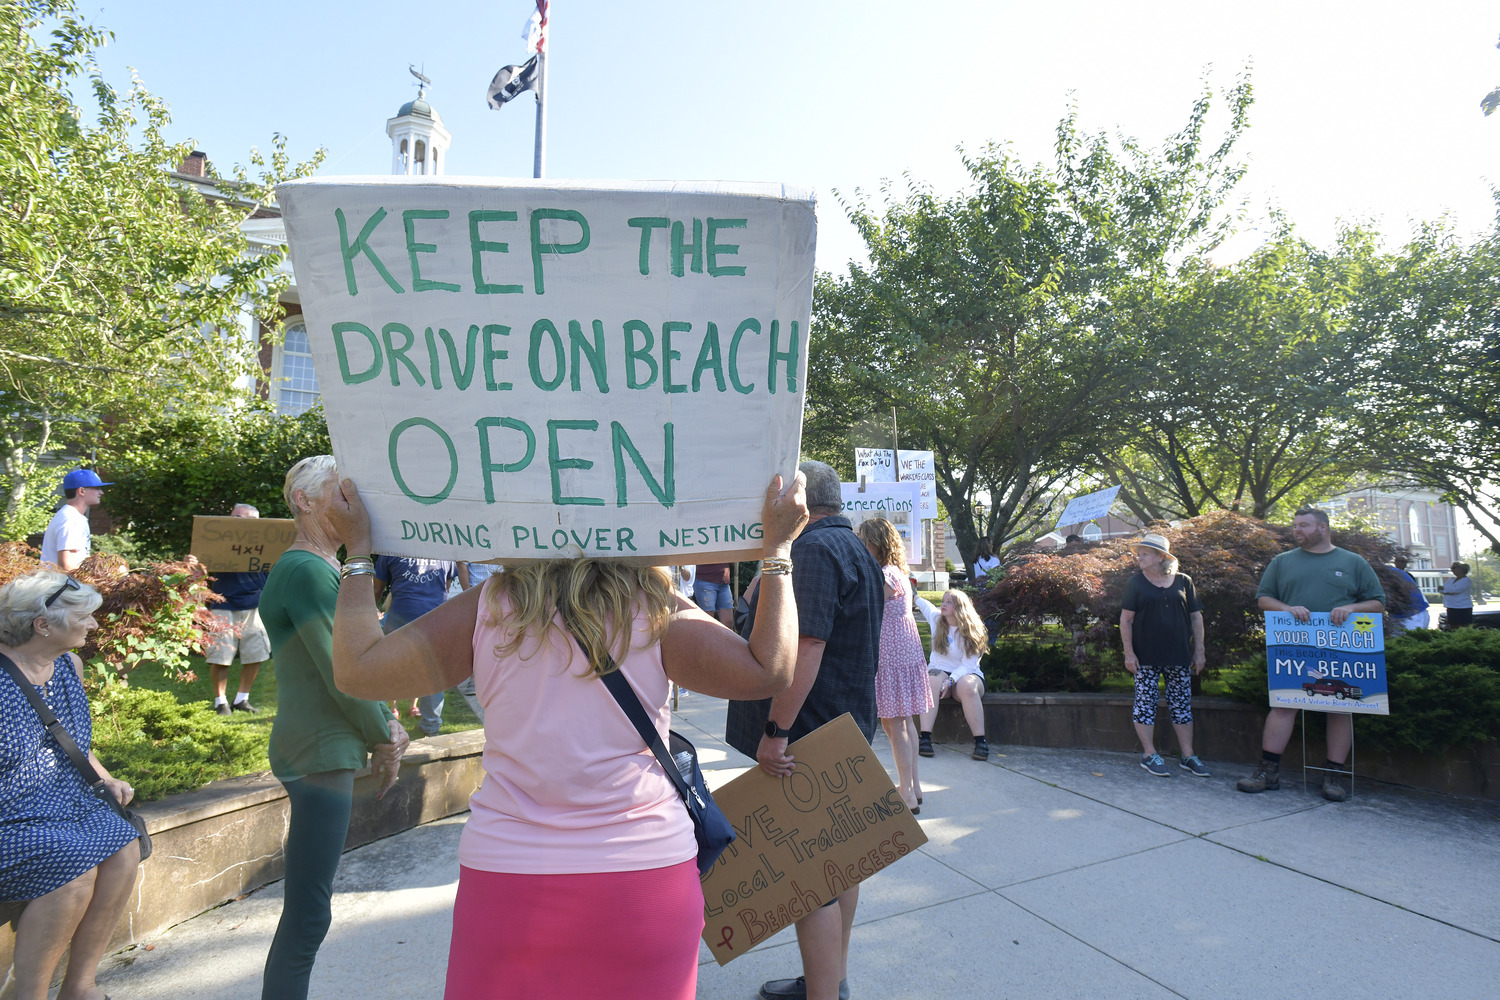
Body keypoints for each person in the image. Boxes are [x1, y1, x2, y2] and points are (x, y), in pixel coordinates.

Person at [324, 472, 807, 1000]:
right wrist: (776, 551)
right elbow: (768, 669)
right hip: (643, 882)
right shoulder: (653, 606)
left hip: (509, 886)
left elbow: (358, 670)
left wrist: (358, 554)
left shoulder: (489, 606)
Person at [727, 460, 885, 1000]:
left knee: (810, 877)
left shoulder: (814, 551)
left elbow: (806, 648)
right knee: (839, 866)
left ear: (801, 502)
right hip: (842, 723)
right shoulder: (855, 547)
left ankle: (825, 992)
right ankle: (828, 978)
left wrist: (775, 730)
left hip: (808, 734)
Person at [259, 456, 408, 1000]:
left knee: (307, 908)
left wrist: (381, 726)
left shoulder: (313, 567)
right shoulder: (309, 570)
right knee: (308, 912)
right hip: (320, 750)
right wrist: (384, 734)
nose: (354, 505)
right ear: (303, 500)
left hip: (319, 747)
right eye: (339, 494)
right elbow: (344, 671)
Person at [0, 570, 143, 1000]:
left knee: (125, 845)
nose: (95, 625)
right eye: (85, 616)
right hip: (10, 814)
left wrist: (105, 777)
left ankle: (80, 984)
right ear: (43, 624)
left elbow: (72, 741)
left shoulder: (67, 665)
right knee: (72, 868)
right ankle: (26, 992)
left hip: (63, 800)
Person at [1237, 507, 1384, 802]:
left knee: (1340, 709)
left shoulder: (1352, 562)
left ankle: (1334, 776)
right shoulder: (1282, 562)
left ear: (1323, 528)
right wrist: (1287, 608)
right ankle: (1269, 772)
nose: (1297, 530)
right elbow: (1264, 599)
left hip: (1341, 646)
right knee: (1283, 704)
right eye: (1295, 526)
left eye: (1304, 525)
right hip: (1294, 646)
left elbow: (1377, 602)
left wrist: (1352, 608)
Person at [856, 517, 932, 813]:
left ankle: (908, 795)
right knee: (905, 721)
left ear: (875, 543)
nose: (861, 545)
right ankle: (913, 787)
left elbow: (868, 609)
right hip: (905, 649)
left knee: (893, 723)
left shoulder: (884, 575)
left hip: (891, 652)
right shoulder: (898, 571)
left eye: (864, 540)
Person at [1119, 533, 1210, 778]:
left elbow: (1196, 617)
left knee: (1181, 705)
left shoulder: (1183, 581)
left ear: (1161, 557)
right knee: (1145, 705)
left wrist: (1199, 651)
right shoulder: (1135, 583)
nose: (1140, 557)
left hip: (1179, 655)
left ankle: (1188, 756)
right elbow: (1126, 620)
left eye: (1145, 553)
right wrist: (1129, 654)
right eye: (1139, 553)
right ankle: (1150, 754)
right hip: (1145, 657)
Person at [373, 555, 459, 736]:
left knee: (389, 670)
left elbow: (376, 590)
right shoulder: (443, 550)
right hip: (434, 621)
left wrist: (371, 612)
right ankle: (431, 725)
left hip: (399, 620)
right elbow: (445, 587)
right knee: (433, 674)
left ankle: (383, 719)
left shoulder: (390, 549)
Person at [205, 503, 271, 715]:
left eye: (243, 518)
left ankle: (242, 699)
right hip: (223, 604)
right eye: (234, 517)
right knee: (220, 655)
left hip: (255, 605)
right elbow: (202, 564)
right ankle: (220, 702)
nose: (236, 521)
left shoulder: (265, 544)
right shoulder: (218, 541)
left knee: (256, 654)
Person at [915, 589, 991, 761]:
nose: (943, 604)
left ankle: (980, 742)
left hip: (966, 675)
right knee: (931, 681)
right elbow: (923, 604)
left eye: (949, 602)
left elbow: (968, 665)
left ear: (960, 607)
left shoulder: (973, 631)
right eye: (943, 600)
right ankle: (925, 739)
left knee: (967, 686)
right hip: (939, 672)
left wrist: (950, 681)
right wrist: (912, 592)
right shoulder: (937, 620)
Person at [39, 469, 111, 572]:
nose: (101, 492)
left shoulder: (74, 517)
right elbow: (66, 565)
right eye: (97, 488)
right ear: (81, 491)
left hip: (63, 585)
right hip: (61, 586)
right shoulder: (70, 519)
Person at [1390, 556, 1430, 631]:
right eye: (1398, 561)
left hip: (1412, 613)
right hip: (1406, 613)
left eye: (1403, 562)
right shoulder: (1392, 573)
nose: (1400, 563)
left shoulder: (1402, 575)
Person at [692, 561, 736, 627]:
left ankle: (721, 637)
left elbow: (733, 560)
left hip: (724, 582)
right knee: (708, 622)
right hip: (705, 579)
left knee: (728, 622)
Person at [1442, 562, 1473, 628]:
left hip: (1462, 608)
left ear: (1461, 569)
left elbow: (1455, 590)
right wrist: (1445, 590)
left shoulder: (1466, 580)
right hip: (1451, 606)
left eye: (1454, 568)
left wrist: (1444, 591)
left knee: (1463, 626)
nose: (1452, 570)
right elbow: (1442, 588)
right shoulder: (1451, 579)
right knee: (1452, 626)